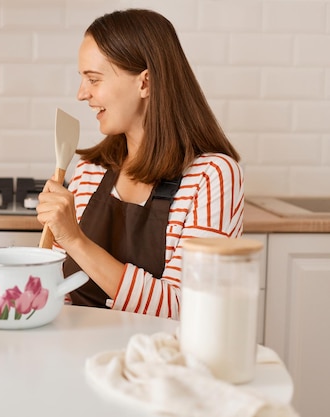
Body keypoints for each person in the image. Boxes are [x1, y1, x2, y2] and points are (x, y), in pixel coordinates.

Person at [36, 9, 243, 319]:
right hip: (76, 355)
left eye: (93, 79)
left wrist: (76, 240)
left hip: (158, 361)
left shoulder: (212, 176)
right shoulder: (91, 170)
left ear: (145, 83)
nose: (82, 94)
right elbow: (56, 291)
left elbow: (184, 309)